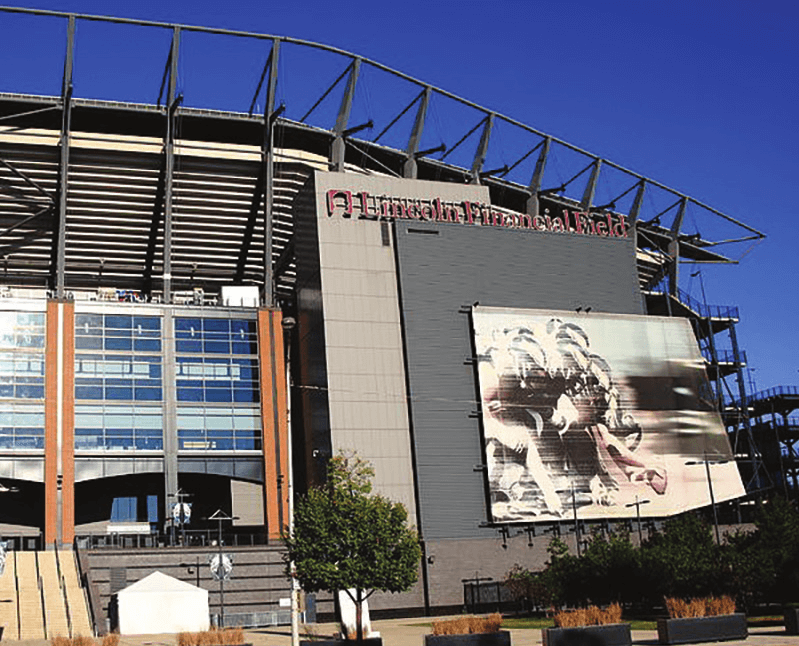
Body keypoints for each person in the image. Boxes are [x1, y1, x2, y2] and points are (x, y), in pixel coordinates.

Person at [481, 319, 666, 521]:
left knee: (577, 430)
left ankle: (594, 480)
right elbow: (497, 409)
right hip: (517, 416)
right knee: (524, 437)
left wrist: (639, 467)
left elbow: (603, 434)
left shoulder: (575, 373)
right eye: (535, 374)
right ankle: (509, 487)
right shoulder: (508, 373)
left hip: (547, 412)